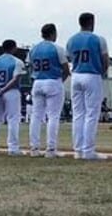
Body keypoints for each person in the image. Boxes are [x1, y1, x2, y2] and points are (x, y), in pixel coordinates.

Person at [66, 12, 110, 160]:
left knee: (78, 114)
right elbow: (105, 60)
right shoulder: (99, 39)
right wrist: (101, 72)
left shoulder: (71, 40)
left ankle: (78, 150)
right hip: (92, 74)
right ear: (91, 22)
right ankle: (88, 150)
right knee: (91, 114)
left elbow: (69, 57)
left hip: (76, 74)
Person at [27, 23, 71, 158]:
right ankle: (51, 149)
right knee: (53, 116)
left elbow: (30, 66)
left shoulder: (33, 49)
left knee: (36, 116)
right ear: (53, 33)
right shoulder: (57, 48)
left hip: (37, 81)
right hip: (53, 80)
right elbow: (66, 69)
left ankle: (34, 148)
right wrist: (59, 81)